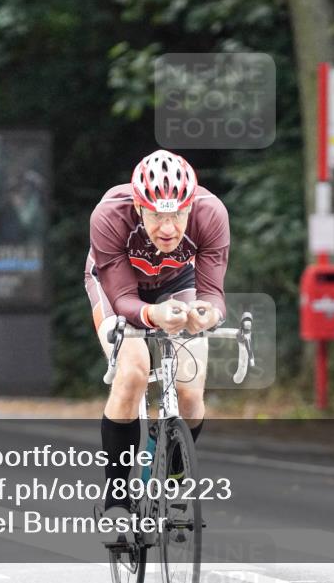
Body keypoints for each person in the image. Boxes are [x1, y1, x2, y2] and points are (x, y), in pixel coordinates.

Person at [84, 150, 229, 521]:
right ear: (138, 206)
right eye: (156, 215)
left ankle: (175, 468)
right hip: (117, 282)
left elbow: (213, 293)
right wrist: (153, 315)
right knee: (131, 372)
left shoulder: (211, 213)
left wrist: (206, 314)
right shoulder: (109, 215)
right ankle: (116, 501)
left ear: (190, 205)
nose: (168, 228)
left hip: (177, 281)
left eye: (178, 214)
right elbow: (123, 299)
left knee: (191, 388)